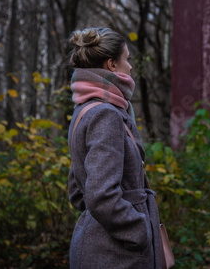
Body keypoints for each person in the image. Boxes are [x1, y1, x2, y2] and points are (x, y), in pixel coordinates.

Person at [67, 27, 162, 268]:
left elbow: (77, 190)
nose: (130, 67)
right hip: (115, 256)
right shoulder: (106, 115)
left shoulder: (83, 109)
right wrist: (140, 231)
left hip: (102, 249)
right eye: (127, 59)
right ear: (111, 64)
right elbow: (100, 195)